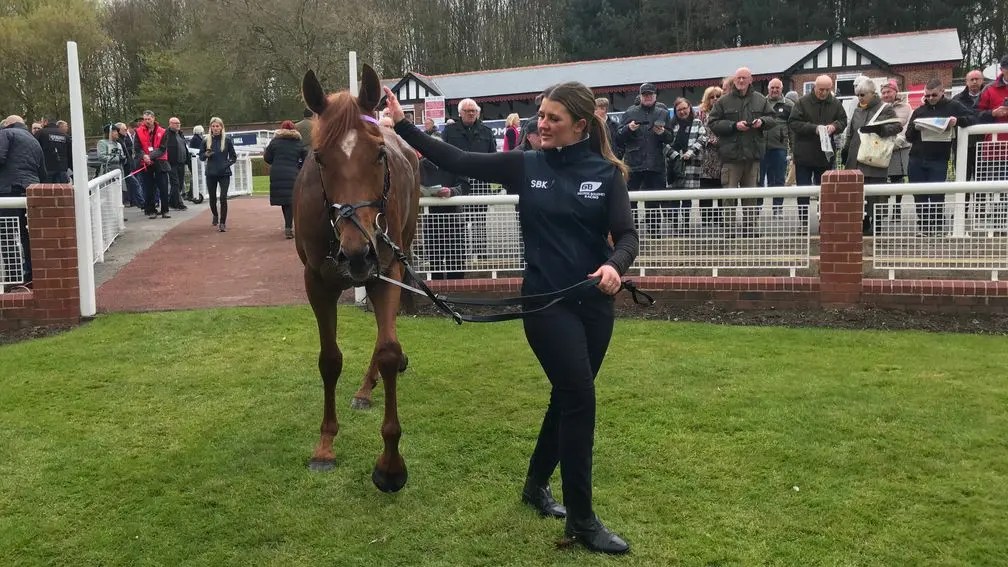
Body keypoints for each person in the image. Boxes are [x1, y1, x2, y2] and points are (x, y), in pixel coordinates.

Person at [386, 80, 638, 555]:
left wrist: (614, 267)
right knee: (580, 399)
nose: (541, 124)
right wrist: (404, 126)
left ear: (580, 125)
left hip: (594, 306)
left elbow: (626, 235)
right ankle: (582, 521)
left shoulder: (606, 173)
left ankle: (535, 486)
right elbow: (458, 161)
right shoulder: (528, 165)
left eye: (553, 118)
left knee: (568, 397)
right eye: (540, 115)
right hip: (545, 305)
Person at [708, 67, 777, 237]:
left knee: (751, 196)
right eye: (738, 78)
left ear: (750, 80)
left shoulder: (760, 100)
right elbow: (713, 122)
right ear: (734, 80)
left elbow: (773, 118)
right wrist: (733, 126)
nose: (740, 81)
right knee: (729, 196)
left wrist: (762, 121)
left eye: (744, 78)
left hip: (752, 155)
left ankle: (750, 229)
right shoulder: (723, 102)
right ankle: (730, 229)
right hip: (731, 156)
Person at [906, 78, 978, 235]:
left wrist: (957, 121)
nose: (930, 99)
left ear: (942, 92)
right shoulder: (919, 111)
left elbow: (974, 117)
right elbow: (908, 136)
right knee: (919, 195)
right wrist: (916, 128)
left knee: (938, 194)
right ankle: (924, 227)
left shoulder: (953, 106)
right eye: (927, 96)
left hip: (939, 158)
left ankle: (938, 227)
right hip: (917, 157)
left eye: (934, 95)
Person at [842, 78, 901, 235]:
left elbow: (897, 126)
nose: (860, 98)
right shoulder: (857, 110)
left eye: (862, 94)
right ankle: (862, 222)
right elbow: (850, 132)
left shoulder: (885, 108)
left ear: (872, 93)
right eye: (857, 95)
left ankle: (878, 223)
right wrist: (846, 150)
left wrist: (880, 130)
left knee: (876, 193)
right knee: (857, 193)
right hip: (856, 156)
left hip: (875, 156)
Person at [788, 75, 847, 227]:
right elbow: (793, 123)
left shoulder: (835, 103)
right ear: (815, 87)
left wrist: (835, 126)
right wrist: (814, 129)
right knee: (803, 191)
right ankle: (804, 223)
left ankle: (824, 221)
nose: (824, 93)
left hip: (825, 155)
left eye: (827, 90)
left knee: (825, 191)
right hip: (804, 154)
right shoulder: (802, 102)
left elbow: (843, 120)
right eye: (821, 89)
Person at [616, 82, 673, 238]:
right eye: (645, 95)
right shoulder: (629, 112)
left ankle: (654, 234)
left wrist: (662, 133)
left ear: (655, 96)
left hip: (656, 165)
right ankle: (627, 234)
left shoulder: (663, 113)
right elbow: (619, 137)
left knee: (654, 202)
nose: (647, 97)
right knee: (629, 201)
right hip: (633, 164)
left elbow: (670, 138)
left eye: (650, 95)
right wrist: (629, 129)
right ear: (640, 96)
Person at [0, 115, 46, 283]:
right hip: (30, 190)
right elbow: (43, 170)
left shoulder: (5, 134)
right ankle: (32, 275)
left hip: (8, 190)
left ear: (7, 124)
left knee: (7, 234)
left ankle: (13, 279)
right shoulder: (34, 140)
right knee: (28, 234)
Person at [664, 97, 707, 234]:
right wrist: (676, 156)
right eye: (679, 110)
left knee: (687, 198)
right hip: (674, 165)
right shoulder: (671, 125)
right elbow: (664, 144)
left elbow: (703, 139)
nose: (682, 112)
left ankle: (687, 225)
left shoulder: (697, 122)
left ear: (690, 108)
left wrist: (690, 152)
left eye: (685, 108)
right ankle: (676, 226)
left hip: (691, 164)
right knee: (675, 198)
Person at [263, 119, 306, 239]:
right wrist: (299, 166)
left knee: (284, 201)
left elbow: (267, 158)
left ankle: (288, 226)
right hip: (293, 173)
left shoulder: (275, 142)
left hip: (277, 173)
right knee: (291, 201)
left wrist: (275, 162)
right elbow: (305, 157)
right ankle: (289, 226)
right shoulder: (298, 142)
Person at [200, 117, 237, 232]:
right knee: (212, 198)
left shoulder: (227, 140)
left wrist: (226, 164)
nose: (215, 128)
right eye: (213, 126)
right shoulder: (205, 140)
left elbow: (233, 157)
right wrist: (206, 154)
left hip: (224, 173)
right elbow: (201, 157)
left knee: (223, 197)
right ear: (210, 127)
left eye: (217, 126)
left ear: (221, 127)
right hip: (211, 173)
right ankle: (215, 215)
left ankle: (222, 222)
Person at [762, 78, 793, 214]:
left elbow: (793, 129)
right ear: (768, 89)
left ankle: (777, 208)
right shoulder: (761, 103)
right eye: (772, 88)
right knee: (759, 178)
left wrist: (793, 149)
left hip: (779, 147)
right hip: (761, 147)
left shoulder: (789, 105)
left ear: (782, 89)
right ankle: (757, 209)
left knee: (779, 178)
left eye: (777, 88)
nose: (774, 90)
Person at [134, 110, 172, 219]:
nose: (147, 121)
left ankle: (165, 210)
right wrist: (144, 156)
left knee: (163, 187)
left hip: (160, 161)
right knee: (148, 188)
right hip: (145, 163)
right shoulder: (138, 131)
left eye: (149, 119)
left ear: (153, 118)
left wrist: (150, 156)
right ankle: (151, 210)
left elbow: (162, 148)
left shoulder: (163, 131)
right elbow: (137, 148)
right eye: (145, 119)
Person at [696, 86, 724, 226]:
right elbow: (697, 131)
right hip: (705, 154)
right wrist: (707, 140)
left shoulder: (725, 112)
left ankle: (720, 217)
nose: (715, 99)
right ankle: (706, 218)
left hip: (721, 154)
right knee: (706, 187)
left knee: (720, 186)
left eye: (718, 96)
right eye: (712, 97)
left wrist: (719, 141)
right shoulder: (700, 114)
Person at [35, 117, 70, 183]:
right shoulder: (65, 136)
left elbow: (34, 149)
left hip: (45, 170)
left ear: (45, 122)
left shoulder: (40, 133)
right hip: (62, 170)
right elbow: (70, 154)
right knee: (62, 191)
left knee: (46, 191)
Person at [164, 117, 189, 210]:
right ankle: (179, 203)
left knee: (180, 183)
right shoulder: (166, 134)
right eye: (175, 123)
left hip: (181, 162)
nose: (178, 125)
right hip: (171, 162)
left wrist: (187, 159)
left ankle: (171, 202)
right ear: (170, 124)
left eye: (179, 123)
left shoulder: (181, 134)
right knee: (175, 183)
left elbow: (184, 147)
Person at [187, 125, 205, 200]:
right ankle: (191, 193)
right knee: (194, 176)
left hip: (194, 160)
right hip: (194, 161)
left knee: (195, 176)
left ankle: (191, 193)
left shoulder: (196, 138)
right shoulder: (196, 139)